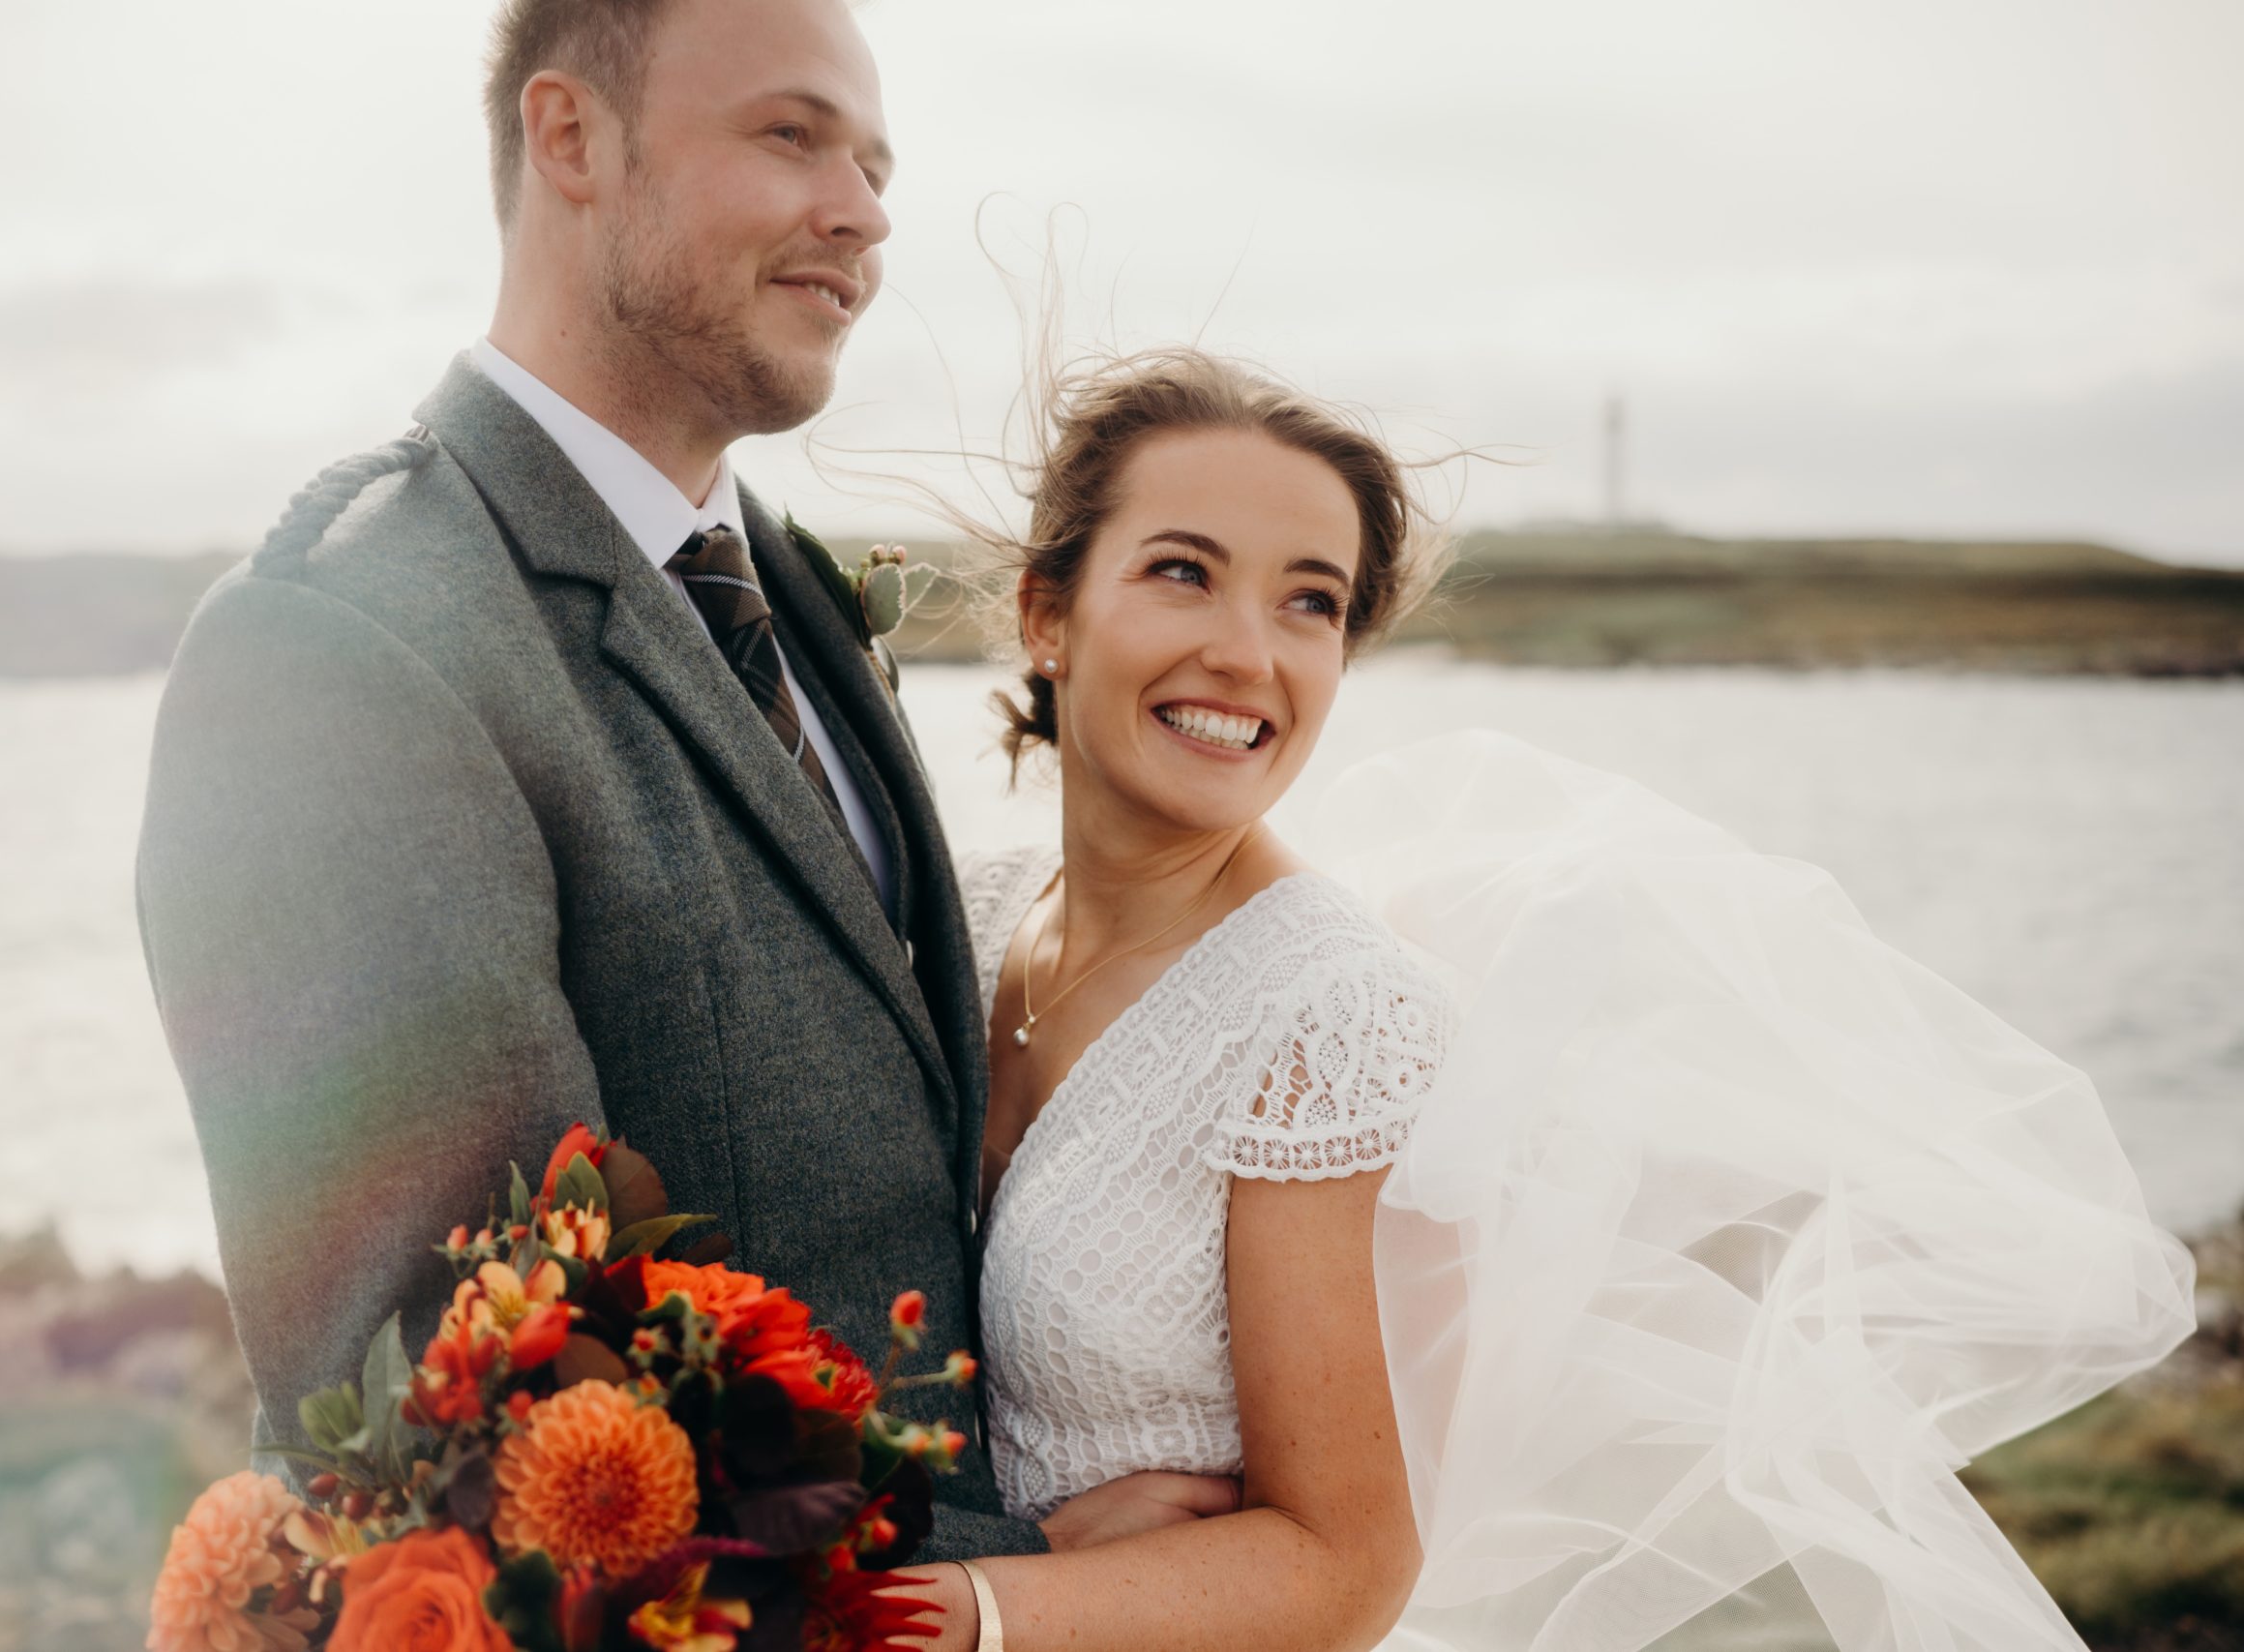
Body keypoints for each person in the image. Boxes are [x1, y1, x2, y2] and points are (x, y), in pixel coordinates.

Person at [884, 345, 2198, 1652]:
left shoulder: (1327, 1019)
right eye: (1184, 572)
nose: (1246, 654)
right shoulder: (965, 918)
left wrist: (961, 1607)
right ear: (1048, 615)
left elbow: (1343, 1568)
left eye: (1310, 602)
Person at [133, 0, 1225, 1562]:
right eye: (792, 137)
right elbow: (459, 1424)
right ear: (572, 137)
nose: (864, 214)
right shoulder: (340, 643)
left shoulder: (776, 589)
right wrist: (1017, 1586)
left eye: (875, 167)